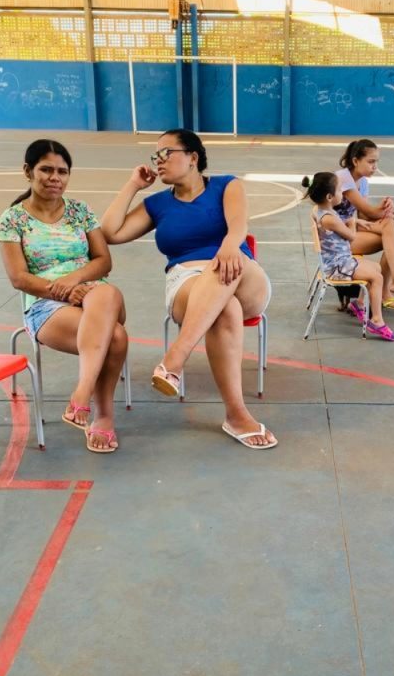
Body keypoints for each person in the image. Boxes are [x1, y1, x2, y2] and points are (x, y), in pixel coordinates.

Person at [101, 129, 277, 450]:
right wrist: (133, 185)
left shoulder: (227, 184)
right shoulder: (157, 204)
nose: (159, 161)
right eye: (156, 156)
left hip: (241, 272)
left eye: (166, 153)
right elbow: (110, 232)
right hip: (186, 284)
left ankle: (175, 357)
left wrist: (227, 247)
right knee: (226, 309)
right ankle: (236, 415)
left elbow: (239, 224)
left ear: (193, 157)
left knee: (225, 270)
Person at [0, 139, 128, 454]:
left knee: (105, 292)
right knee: (117, 337)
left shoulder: (80, 211)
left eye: (62, 171)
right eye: (46, 169)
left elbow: (103, 261)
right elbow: (19, 278)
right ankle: (104, 416)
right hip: (45, 305)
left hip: (93, 294)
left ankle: (81, 396)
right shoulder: (12, 219)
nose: (55, 177)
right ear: (28, 171)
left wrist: (75, 281)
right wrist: (66, 291)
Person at [303, 172, 394, 341]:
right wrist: (354, 222)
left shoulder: (320, 210)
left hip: (337, 261)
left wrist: (357, 221)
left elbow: (340, 222)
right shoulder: (329, 218)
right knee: (377, 278)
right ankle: (376, 320)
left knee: (376, 268)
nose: (342, 193)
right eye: (339, 190)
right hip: (337, 266)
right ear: (330, 196)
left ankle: (359, 304)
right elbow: (351, 236)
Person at [336, 138, 394, 310]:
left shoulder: (363, 182)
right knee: (392, 237)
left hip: (351, 231)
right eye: (371, 162)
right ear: (355, 161)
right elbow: (371, 212)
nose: (375, 167)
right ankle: (391, 287)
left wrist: (388, 211)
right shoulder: (343, 178)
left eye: (376, 162)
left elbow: (365, 215)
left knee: (391, 235)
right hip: (337, 240)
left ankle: (390, 287)